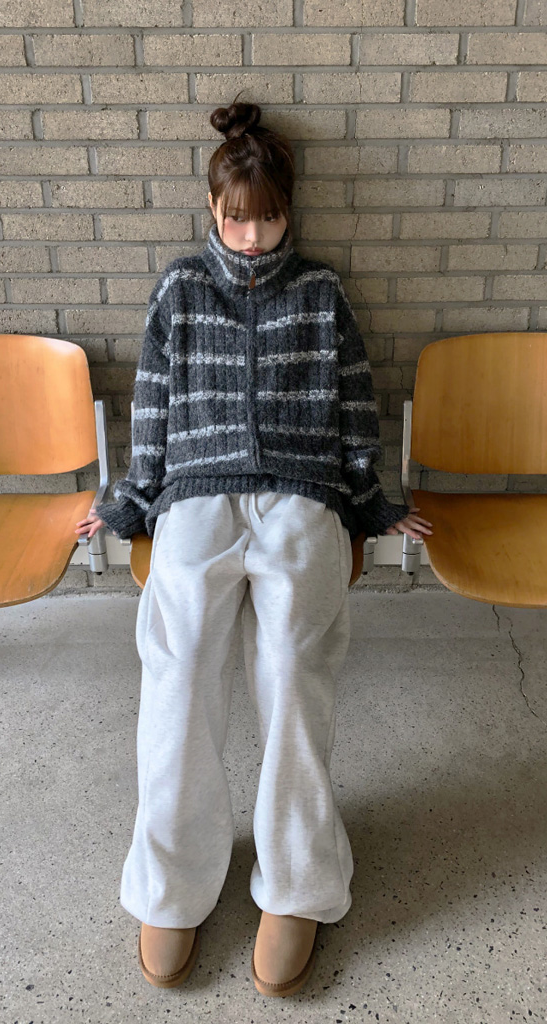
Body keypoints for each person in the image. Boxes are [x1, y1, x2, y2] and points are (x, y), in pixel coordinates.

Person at [75, 97, 432, 997]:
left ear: (288, 213)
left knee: (293, 669)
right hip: (196, 493)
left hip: (302, 494)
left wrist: (370, 502)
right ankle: (172, 884)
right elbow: (151, 405)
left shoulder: (320, 293)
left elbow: (354, 402)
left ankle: (299, 883)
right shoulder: (179, 291)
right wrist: (130, 503)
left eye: (267, 218)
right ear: (212, 207)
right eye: (237, 218)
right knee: (180, 668)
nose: (251, 235)